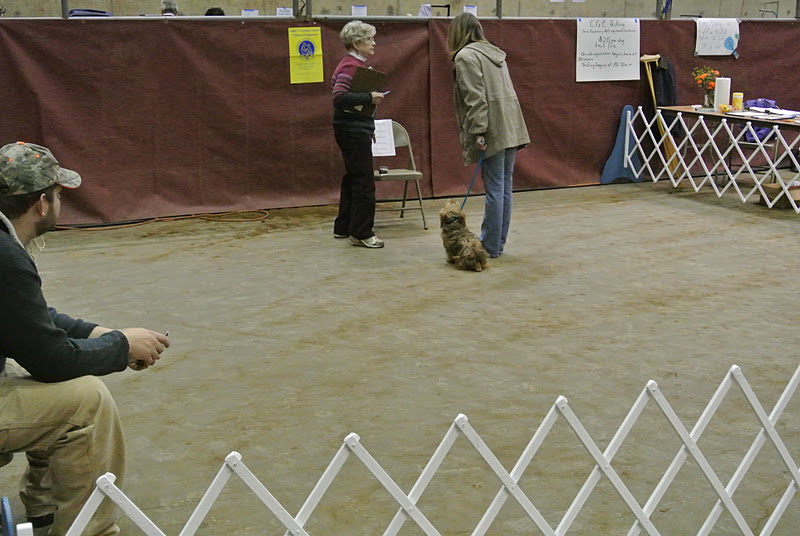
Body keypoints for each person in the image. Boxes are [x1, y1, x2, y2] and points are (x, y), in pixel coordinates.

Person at [0, 141, 170, 536]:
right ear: (43, 204)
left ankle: (44, 510)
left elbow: (28, 320)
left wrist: (101, 334)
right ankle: (90, 531)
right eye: (59, 194)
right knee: (86, 402)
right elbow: (52, 360)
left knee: (53, 387)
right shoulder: (6, 258)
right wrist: (121, 347)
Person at [447, 13, 530, 258]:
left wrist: (478, 131)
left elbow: (476, 99)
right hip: (511, 126)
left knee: (495, 188)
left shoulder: (466, 56)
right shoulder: (495, 53)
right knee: (504, 188)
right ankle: (497, 244)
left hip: (492, 128)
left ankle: (490, 245)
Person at [331, 20, 386, 249]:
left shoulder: (351, 64)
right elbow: (339, 96)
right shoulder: (350, 67)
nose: (374, 43)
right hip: (352, 131)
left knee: (353, 178)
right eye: (369, 39)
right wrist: (369, 97)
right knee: (364, 182)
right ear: (356, 43)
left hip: (352, 129)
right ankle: (362, 233)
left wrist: (368, 125)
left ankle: (343, 227)